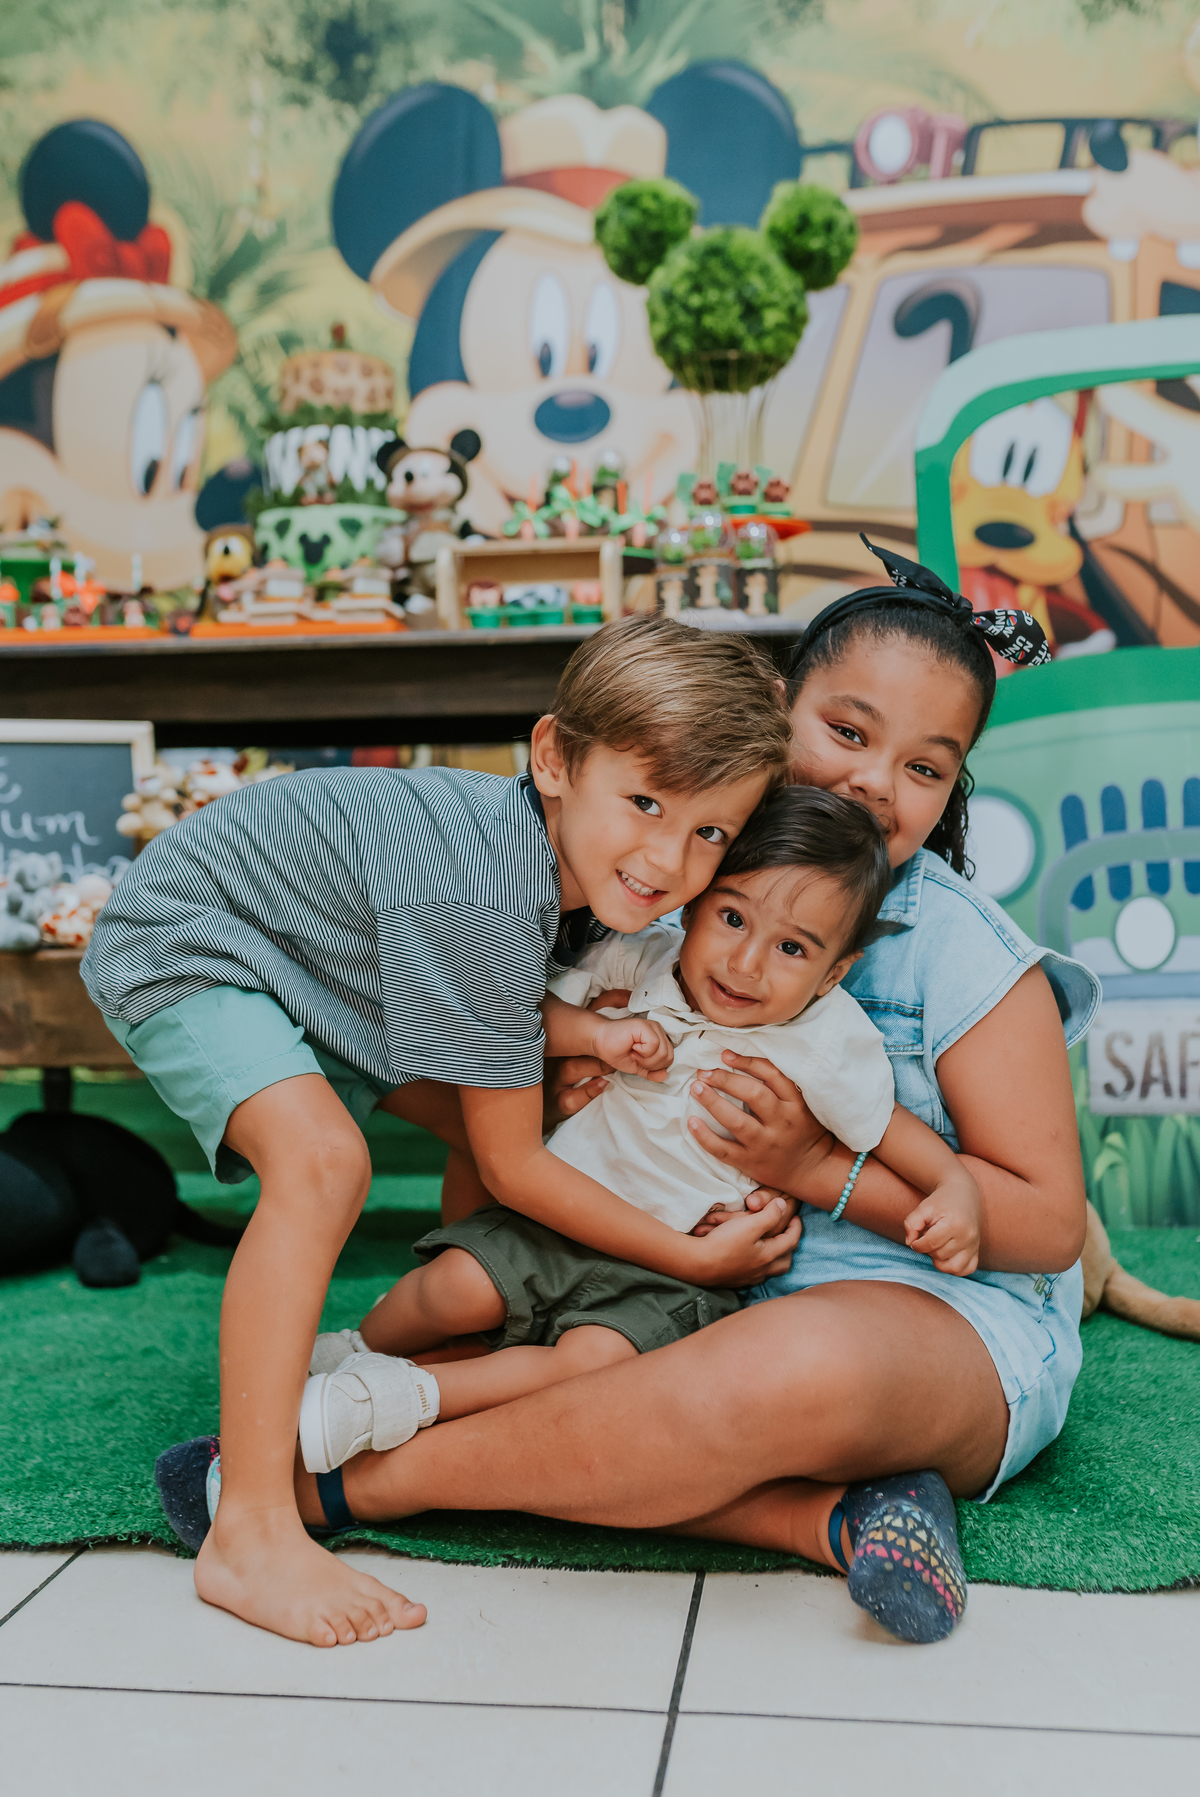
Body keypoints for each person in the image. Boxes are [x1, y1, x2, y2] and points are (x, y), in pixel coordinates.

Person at [262, 544, 1099, 1648]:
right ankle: (835, 1518)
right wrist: (565, 1083)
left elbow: (1047, 1229)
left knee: (788, 1370)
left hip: (921, 1327)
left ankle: (350, 1487)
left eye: (925, 768)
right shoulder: (669, 876)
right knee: (519, 1336)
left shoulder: (964, 956)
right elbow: (505, 1075)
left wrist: (817, 1171)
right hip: (671, 1279)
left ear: (952, 788)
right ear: (776, 710)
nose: (872, 783)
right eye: (846, 732)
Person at [83, 615, 799, 1648]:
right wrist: (692, 1254)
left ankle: (458, 1340)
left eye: (710, 833)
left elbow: (500, 1045)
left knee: (506, 1114)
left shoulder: (561, 871)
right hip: (190, 941)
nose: (668, 859)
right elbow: (515, 1169)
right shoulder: (484, 888)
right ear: (553, 760)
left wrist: (585, 1036)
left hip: (314, 973)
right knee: (327, 1165)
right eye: (644, 802)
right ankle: (246, 1528)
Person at [294, 786, 982, 1478]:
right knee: (451, 1288)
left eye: (793, 947)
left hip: (670, 1271)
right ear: (694, 905)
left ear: (834, 972)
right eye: (733, 917)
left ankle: (407, 1396)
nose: (746, 964)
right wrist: (599, 1031)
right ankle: (352, 1349)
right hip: (562, 1212)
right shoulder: (644, 960)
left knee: (591, 1366)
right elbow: (525, 1025)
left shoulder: (825, 1040)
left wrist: (951, 1184)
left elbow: (887, 1129)